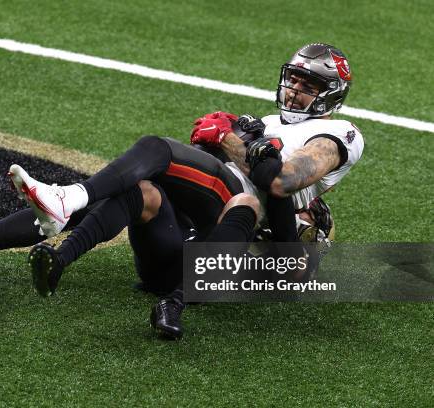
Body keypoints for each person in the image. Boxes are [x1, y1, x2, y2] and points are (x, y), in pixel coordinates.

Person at [18, 43, 363, 338]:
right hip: (190, 239)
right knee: (138, 190)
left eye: (310, 84)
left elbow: (279, 183)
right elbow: (265, 175)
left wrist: (228, 137)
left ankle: (69, 202)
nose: (294, 89)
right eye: (294, 79)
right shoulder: (272, 126)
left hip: (216, 227)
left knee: (162, 154)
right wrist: (235, 140)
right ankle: (19, 250)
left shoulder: (343, 134)